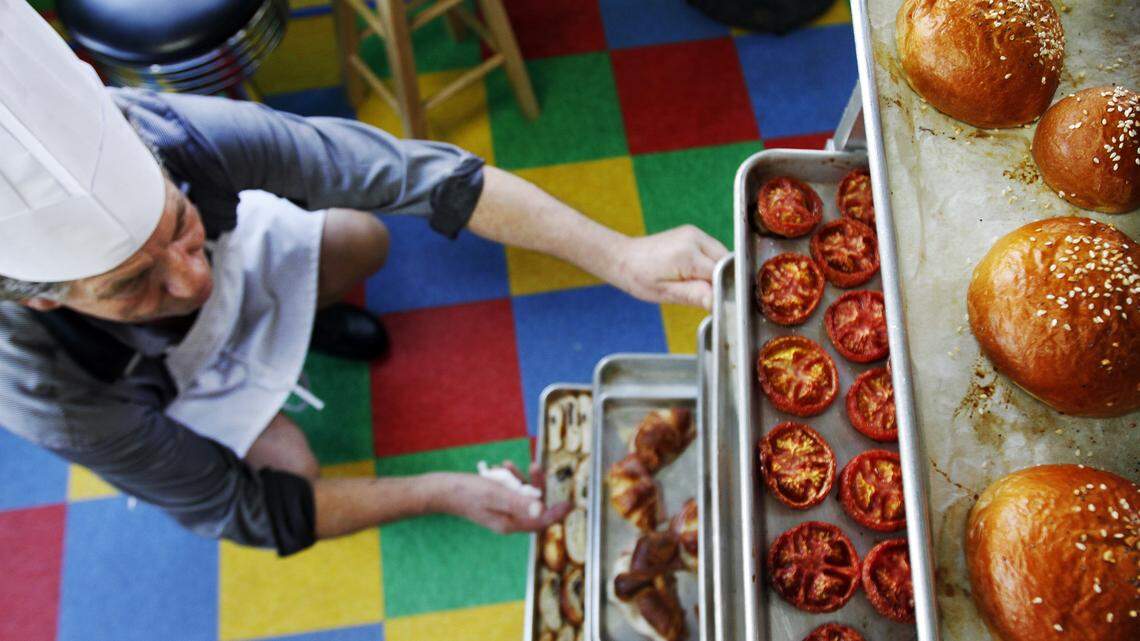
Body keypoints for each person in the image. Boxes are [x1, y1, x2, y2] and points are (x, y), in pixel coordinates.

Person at [0, 2, 727, 556]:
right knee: (293, 467)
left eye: (180, 224)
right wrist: (446, 490)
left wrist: (620, 254)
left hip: (193, 267)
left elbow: (425, 176)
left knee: (363, 238)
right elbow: (247, 510)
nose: (193, 282)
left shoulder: (175, 132)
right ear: (42, 295)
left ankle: (288, 320)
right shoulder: (46, 395)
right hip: (147, 381)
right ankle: (223, 349)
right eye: (133, 283)